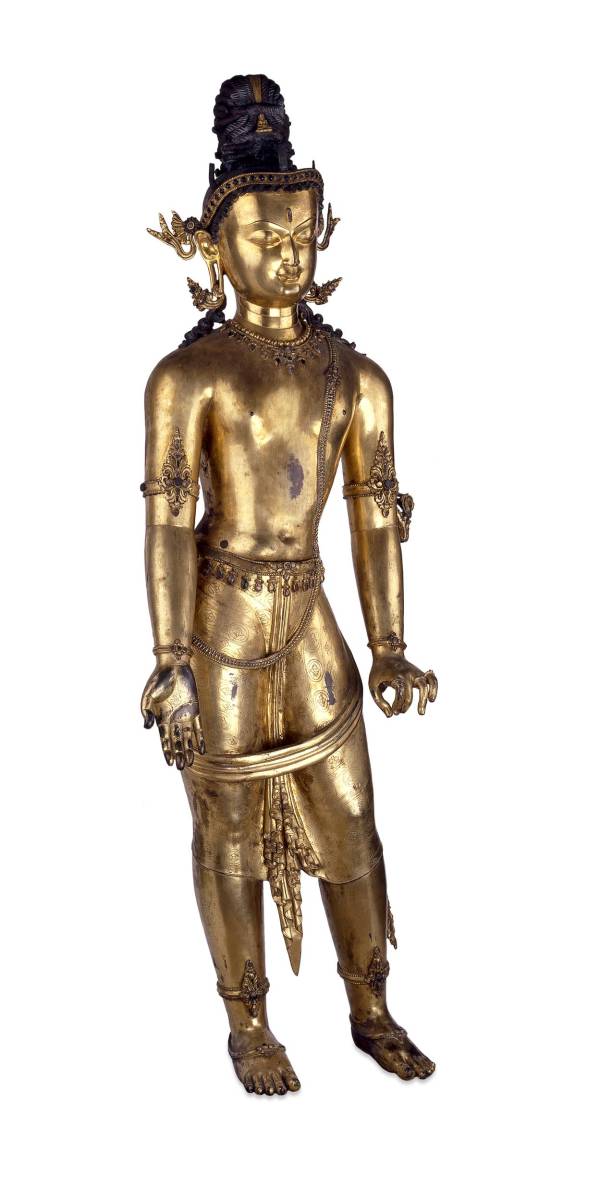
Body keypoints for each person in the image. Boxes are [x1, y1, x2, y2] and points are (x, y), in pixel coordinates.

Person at [141, 74, 437, 1096]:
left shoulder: (357, 380)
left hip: (309, 619)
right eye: (265, 237)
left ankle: (370, 1002)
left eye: (302, 234)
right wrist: (171, 659)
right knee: (224, 827)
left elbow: (375, 514)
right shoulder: (189, 377)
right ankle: (249, 1021)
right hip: (219, 620)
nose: (287, 254)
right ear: (214, 245)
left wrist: (390, 645)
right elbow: (168, 518)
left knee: (350, 817)